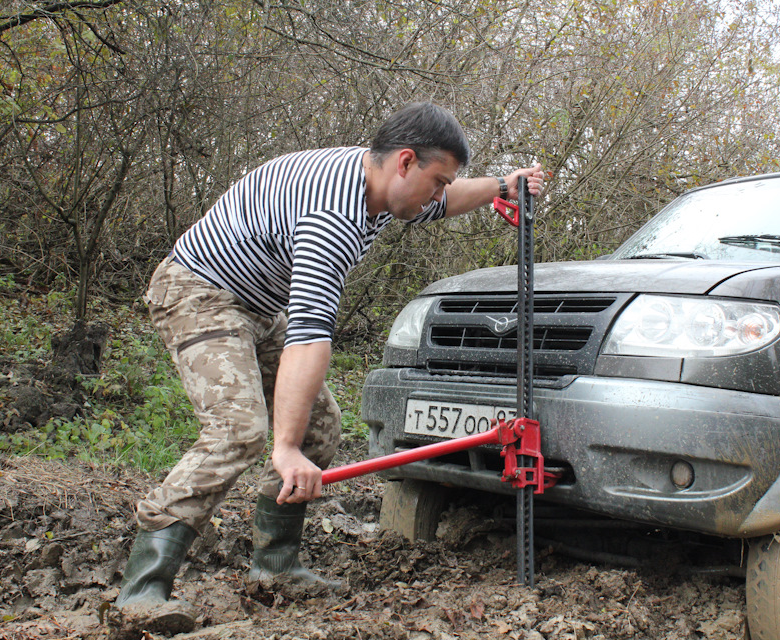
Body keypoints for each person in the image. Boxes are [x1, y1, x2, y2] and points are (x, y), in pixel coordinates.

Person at [113, 102, 544, 628]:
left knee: (320, 425)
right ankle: (142, 588)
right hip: (200, 290)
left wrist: (502, 184)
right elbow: (310, 335)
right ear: (405, 161)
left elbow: (447, 200)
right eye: (435, 180)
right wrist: (284, 447)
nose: (439, 193)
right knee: (240, 431)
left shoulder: (383, 186)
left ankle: (275, 564)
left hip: (258, 302)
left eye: (443, 183)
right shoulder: (332, 217)